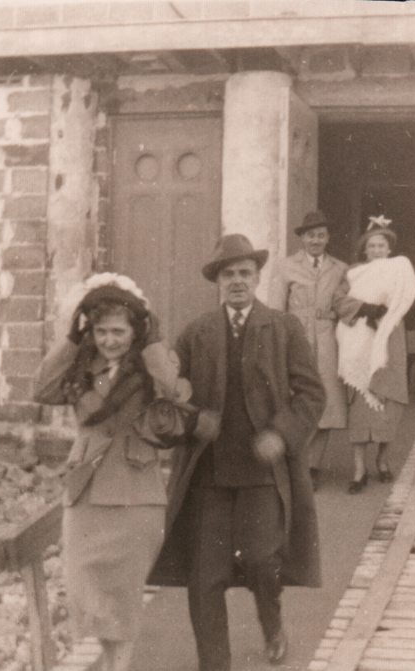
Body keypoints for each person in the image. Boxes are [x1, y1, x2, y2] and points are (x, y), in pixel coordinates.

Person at [147, 234, 325, 671]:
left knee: (264, 562)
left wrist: (281, 434)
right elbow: (170, 398)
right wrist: (193, 420)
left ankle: (272, 623)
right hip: (209, 475)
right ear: (217, 282)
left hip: (264, 475)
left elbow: (311, 394)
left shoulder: (284, 328)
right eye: (229, 274)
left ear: (259, 277)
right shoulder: (197, 332)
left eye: (245, 273)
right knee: (205, 578)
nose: (238, 281)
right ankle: (215, 664)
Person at [33, 273, 183, 671]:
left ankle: (118, 667)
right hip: (86, 494)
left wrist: (152, 342)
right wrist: (70, 337)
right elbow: (42, 388)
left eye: (119, 331)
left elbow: (171, 388)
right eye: (101, 331)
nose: (110, 340)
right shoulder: (81, 365)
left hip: (136, 493)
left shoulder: (152, 363)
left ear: (135, 331)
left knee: (123, 595)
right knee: (87, 593)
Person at [271, 211, 355, 491]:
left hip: (329, 343)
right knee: (298, 403)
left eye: (320, 235)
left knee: (328, 405)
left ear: (327, 237)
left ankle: (312, 467)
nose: (315, 240)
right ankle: (295, 465)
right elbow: (275, 311)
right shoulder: (285, 267)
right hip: (296, 343)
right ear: (302, 238)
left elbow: (345, 304)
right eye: (310, 235)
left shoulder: (340, 268)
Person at [336, 215, 415, 494]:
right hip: (359, 338)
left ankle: (382, 460)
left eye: (381, 246)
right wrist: (365, 309)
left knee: (388, 401)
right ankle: (359, 469)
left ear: (389, 249)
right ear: (364, 250)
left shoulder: (400, 268)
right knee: (360, 406)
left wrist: (387, 311)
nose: (376, 251)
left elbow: (406, 296)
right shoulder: (353, 273)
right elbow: (338, 300)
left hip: (389, 336)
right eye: (371, 247)